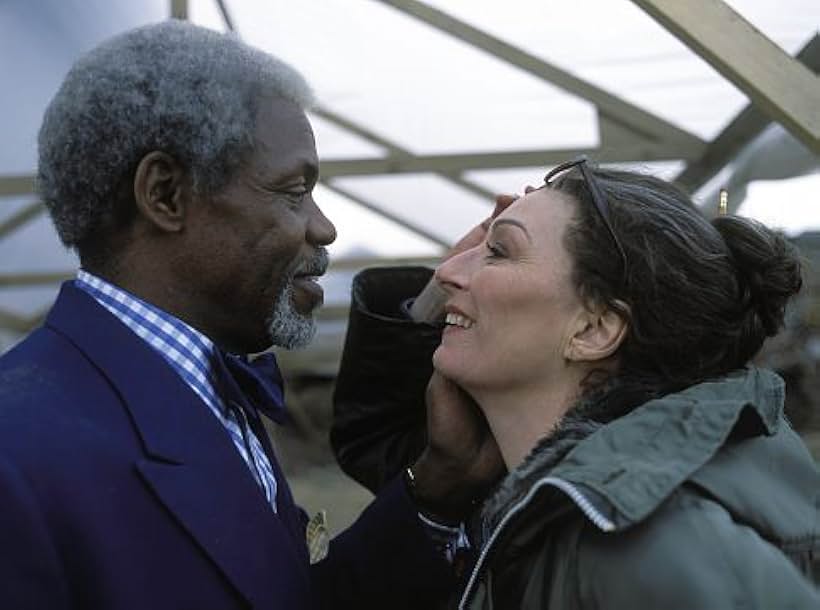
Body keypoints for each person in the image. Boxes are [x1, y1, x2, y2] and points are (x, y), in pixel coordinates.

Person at [0, 20, 499, 610]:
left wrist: (437, 487)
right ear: (165, 195)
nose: (323, 227)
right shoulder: (16, 453)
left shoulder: (208, 391)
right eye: (294, 191)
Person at [332, 159, 820, 609]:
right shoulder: (533, 500)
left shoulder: (645, 545)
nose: (446, 271)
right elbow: (379, 440)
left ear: (593, 330)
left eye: (498, 251)